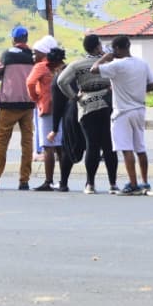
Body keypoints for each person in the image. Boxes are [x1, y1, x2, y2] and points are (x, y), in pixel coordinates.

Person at [91, 34, 153, 196]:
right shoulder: (142, 63)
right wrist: (139, 91)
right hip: (139, 109)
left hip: (122, 112)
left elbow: (94, 69)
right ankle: (145, 182)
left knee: (126, 148)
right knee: (140, 148)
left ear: (117, 49)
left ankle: (133, 184)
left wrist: (105, 58)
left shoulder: (116, 65)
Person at [56, 35, 116, 194]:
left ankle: (90, 184)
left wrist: (73, 96)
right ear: (97, 47)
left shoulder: (77, 64)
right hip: (107, 105)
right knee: (109, 145)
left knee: (92, 145)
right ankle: (113, 184)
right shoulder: (109, 63)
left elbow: (61, 81)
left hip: (86, 106)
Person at [0, 26, 35, 191]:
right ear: (26, 39)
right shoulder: (33, 56)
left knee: (2, 141)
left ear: (13, 39)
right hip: (28, 104)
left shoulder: (7, 54)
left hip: (9, 104)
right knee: (27, 142)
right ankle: (24, 180)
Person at [27, 37, 66, 191]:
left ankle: (48, 181)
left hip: (46, 107)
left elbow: (30, 83)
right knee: (60, 146)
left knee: (48, 146)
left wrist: (35, 98)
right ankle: (64, 181)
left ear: (43, 53)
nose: (33, 56)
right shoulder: (61, 66)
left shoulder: (41, 67)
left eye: (35, 53)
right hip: (62, 108)